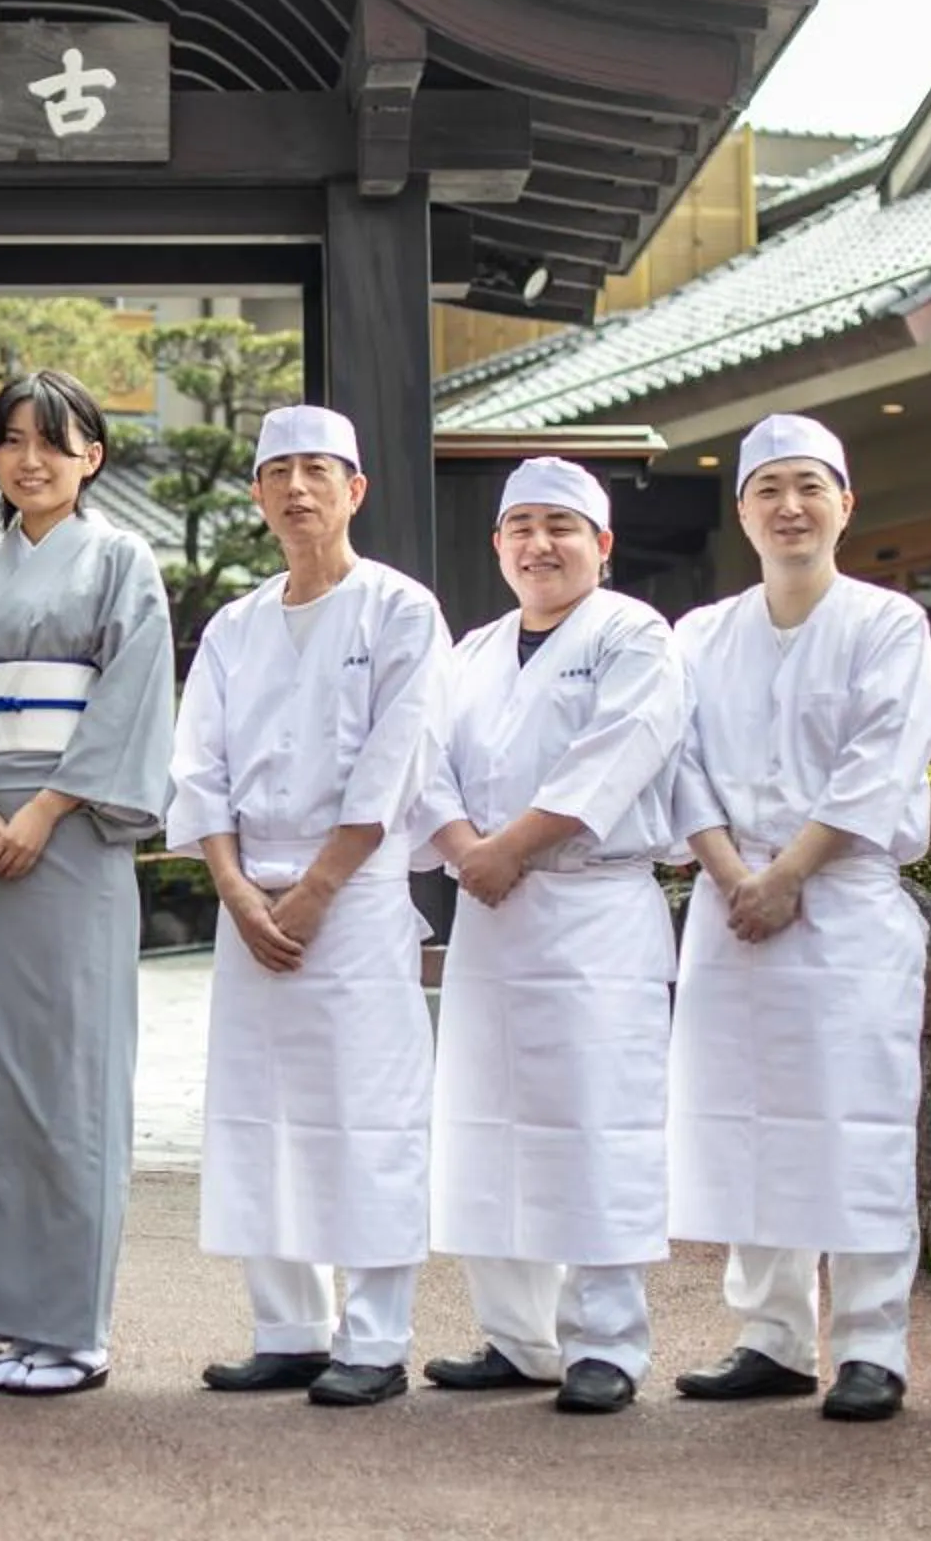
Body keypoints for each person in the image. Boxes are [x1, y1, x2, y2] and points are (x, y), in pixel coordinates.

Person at [172, 406, 449, 1411]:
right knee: (260, 1109)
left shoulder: (401, 609)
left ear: (355, 489)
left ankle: (374, 1334)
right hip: (250, 897)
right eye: (278, 471)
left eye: (318, 470)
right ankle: (286, 1327)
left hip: (359, 895)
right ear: (256, 494)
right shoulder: (236, 625)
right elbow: (197, 762)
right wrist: (239, 889)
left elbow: (397, 754)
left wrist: (321, 885)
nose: (297, 488)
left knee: (366, 1109)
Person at [665, 415, 931, 1424]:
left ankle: (872, 1341)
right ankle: (771, 1334)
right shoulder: (699, 635)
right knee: (746, 1115)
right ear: (742, 509)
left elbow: (880, 759)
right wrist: (738, 871)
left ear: (845, 503)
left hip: (845, 904)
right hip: (733, 902)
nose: (790, 505)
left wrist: (790, 872)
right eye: (769, 487)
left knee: (856, 1119)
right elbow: (678, 758)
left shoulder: (888, 623)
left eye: (809, 486)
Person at [0, 370, 175, 1398]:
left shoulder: (122, 562)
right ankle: (15, 1316)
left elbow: (133, 695)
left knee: (71, 1069)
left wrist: (48, 806)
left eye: (54, 443)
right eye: (12, 441)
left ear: (92, 457)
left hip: (70, 832)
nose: (31, 459)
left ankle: (74, 1323)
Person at [414, 456, 686, 1414]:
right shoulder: (474, 649)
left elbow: (617, 753)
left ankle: (607, 1341)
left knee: (596, 1122)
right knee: (487, 1120)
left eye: (561, 526)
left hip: (592, 909)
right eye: (520, 526)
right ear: (497, 546)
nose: (540, 544)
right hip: (491, 910)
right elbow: (424, 761)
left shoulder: (633, 634)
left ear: (602, 546)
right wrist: (461, 848)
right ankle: (515, 1334)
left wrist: (509, 848)